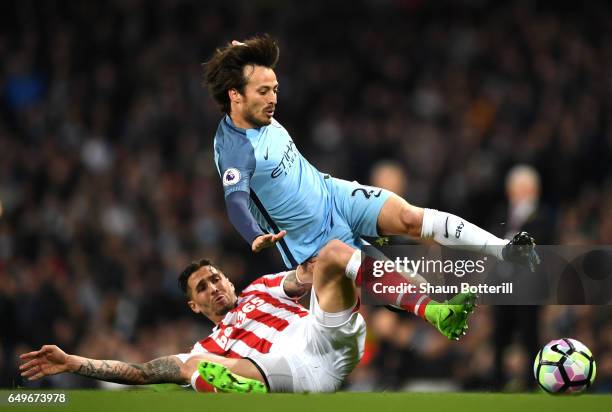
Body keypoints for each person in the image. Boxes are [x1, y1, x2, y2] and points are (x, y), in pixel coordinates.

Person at [203, 34, 538, 289]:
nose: (274, 99)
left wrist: (242, 54)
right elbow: (235, 201)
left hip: (333, 193)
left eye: (275, 89)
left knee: (409, 217)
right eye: (264, 92)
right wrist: (252, 235)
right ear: (236, 95)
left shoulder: (257, 110)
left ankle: (505, 250)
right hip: (315, 242)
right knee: (409, 289)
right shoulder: (235, 150)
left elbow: (245, 73)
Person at [19, 242, 475, 393]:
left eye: (216, 278)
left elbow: (303, 277)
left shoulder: (262, 286)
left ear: (229, 281)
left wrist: (311, 267)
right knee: (190, 367)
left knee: (334, 252)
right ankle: (240, 392)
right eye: (203, 288)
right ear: (194, 307)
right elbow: (141, 370)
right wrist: (74, 362)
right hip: (290, 371)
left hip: (321, 337)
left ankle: (435, 309)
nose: (214, 287)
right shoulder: (205, 347)